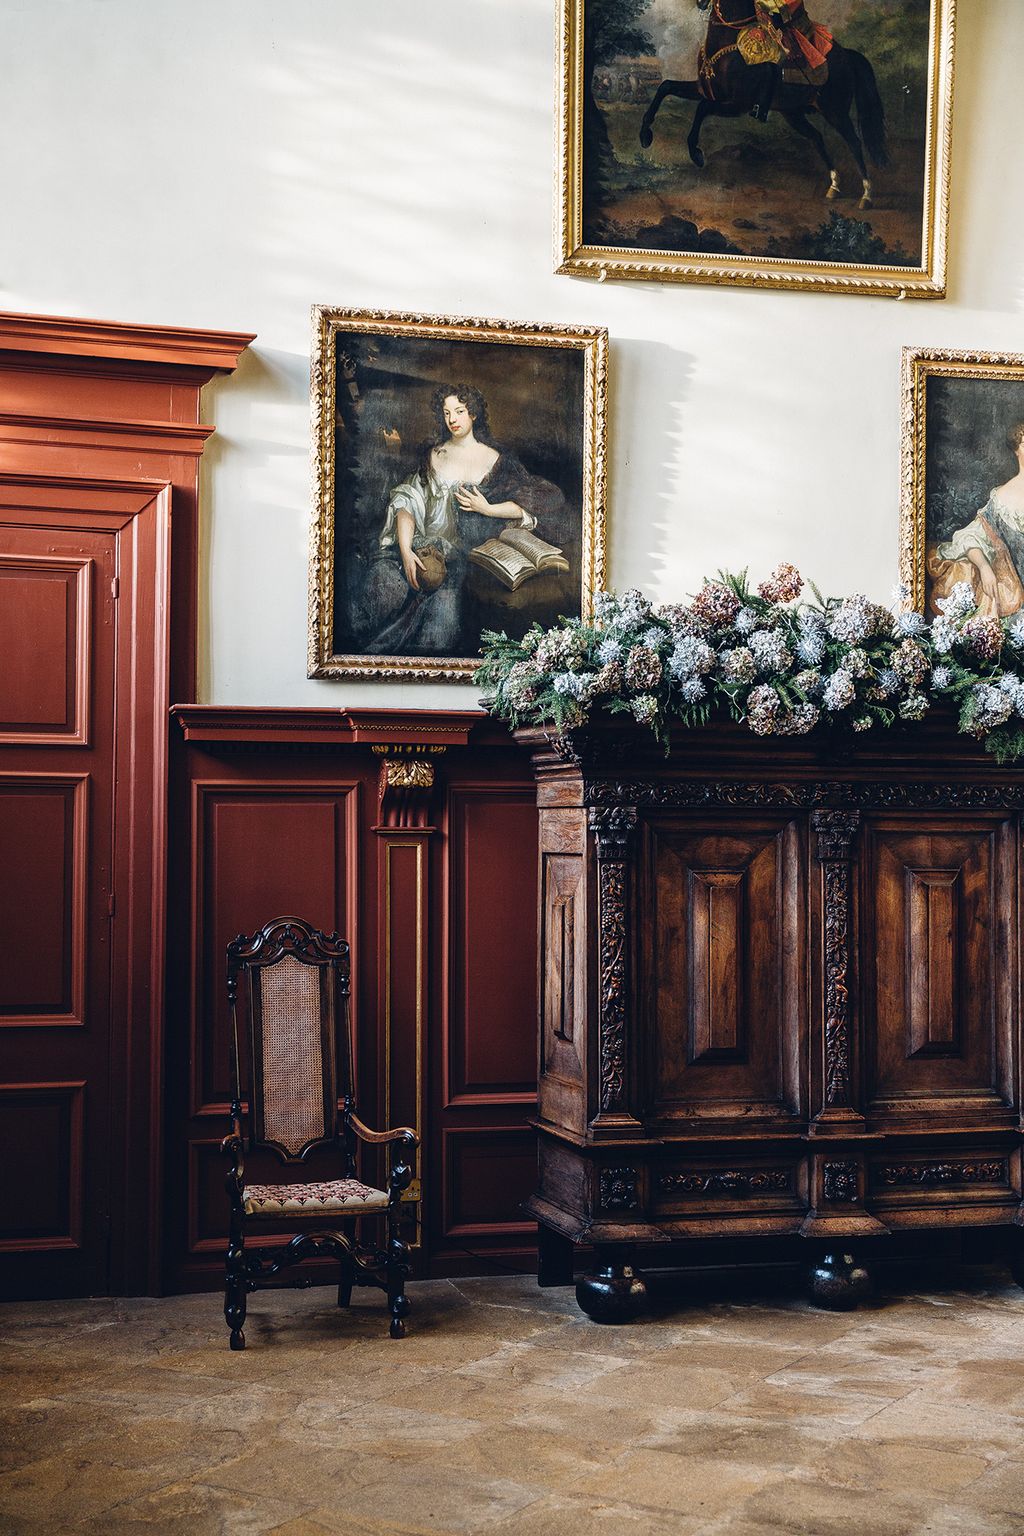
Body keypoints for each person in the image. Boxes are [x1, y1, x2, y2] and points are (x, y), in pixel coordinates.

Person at [358, 384, 567, 656]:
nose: (452, 419)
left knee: (441, 632)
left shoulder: (495, 459)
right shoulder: (434, 454)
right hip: (418, 549)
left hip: (459, 561)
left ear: (474, 414)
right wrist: (406, 550)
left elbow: (534, 499)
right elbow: (407, 501)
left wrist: (488, 508)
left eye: (459, 411)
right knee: (382, 594)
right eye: (447, 413)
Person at [929, 422, 1024, 618]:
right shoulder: (1001, 499)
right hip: (1017, 594)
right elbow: (970, 536)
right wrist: (984, 567)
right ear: (1016, 450)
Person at [745, 0, 833, 123]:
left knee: (773, 62)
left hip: (792, 27)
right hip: (768, 26)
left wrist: (767, 11)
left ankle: (762, 108)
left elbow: (784, 9)